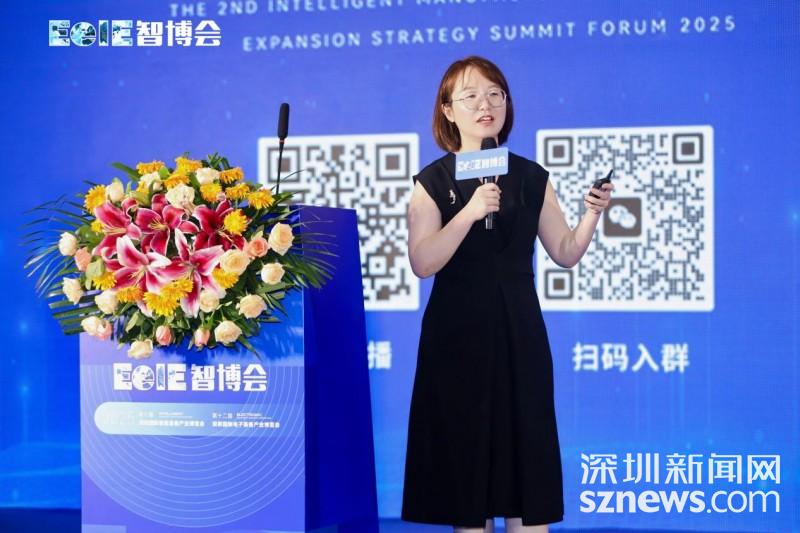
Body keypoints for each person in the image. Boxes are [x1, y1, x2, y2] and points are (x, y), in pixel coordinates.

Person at [401, 56, 614, 533]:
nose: (486, 104)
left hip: (520, 332)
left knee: (526, 465)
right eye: (471, 96)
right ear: (448, 110)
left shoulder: (531, 177)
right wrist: (470, 211)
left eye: (495, 94)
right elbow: (422, 262)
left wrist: (592, 215)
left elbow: (565, 251)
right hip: (457, 336)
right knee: (467, 476)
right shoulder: (432, 182)